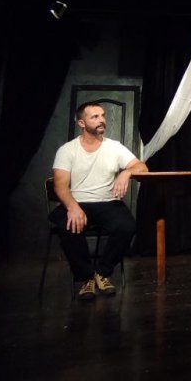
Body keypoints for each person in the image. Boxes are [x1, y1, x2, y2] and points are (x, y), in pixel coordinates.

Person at [50, 101, 147, 300]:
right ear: (81, 123)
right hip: (77, 202)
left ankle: (102, 273)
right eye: (95, 117)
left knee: (127, 226)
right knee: (68, 225)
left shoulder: (114, 147)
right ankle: (86, 278)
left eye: (102, 115)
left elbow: (142, 167)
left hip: (107, 203)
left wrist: (126, 172)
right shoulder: (67, 150)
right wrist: (72, 207)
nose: (101, 120)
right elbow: (60, 185)